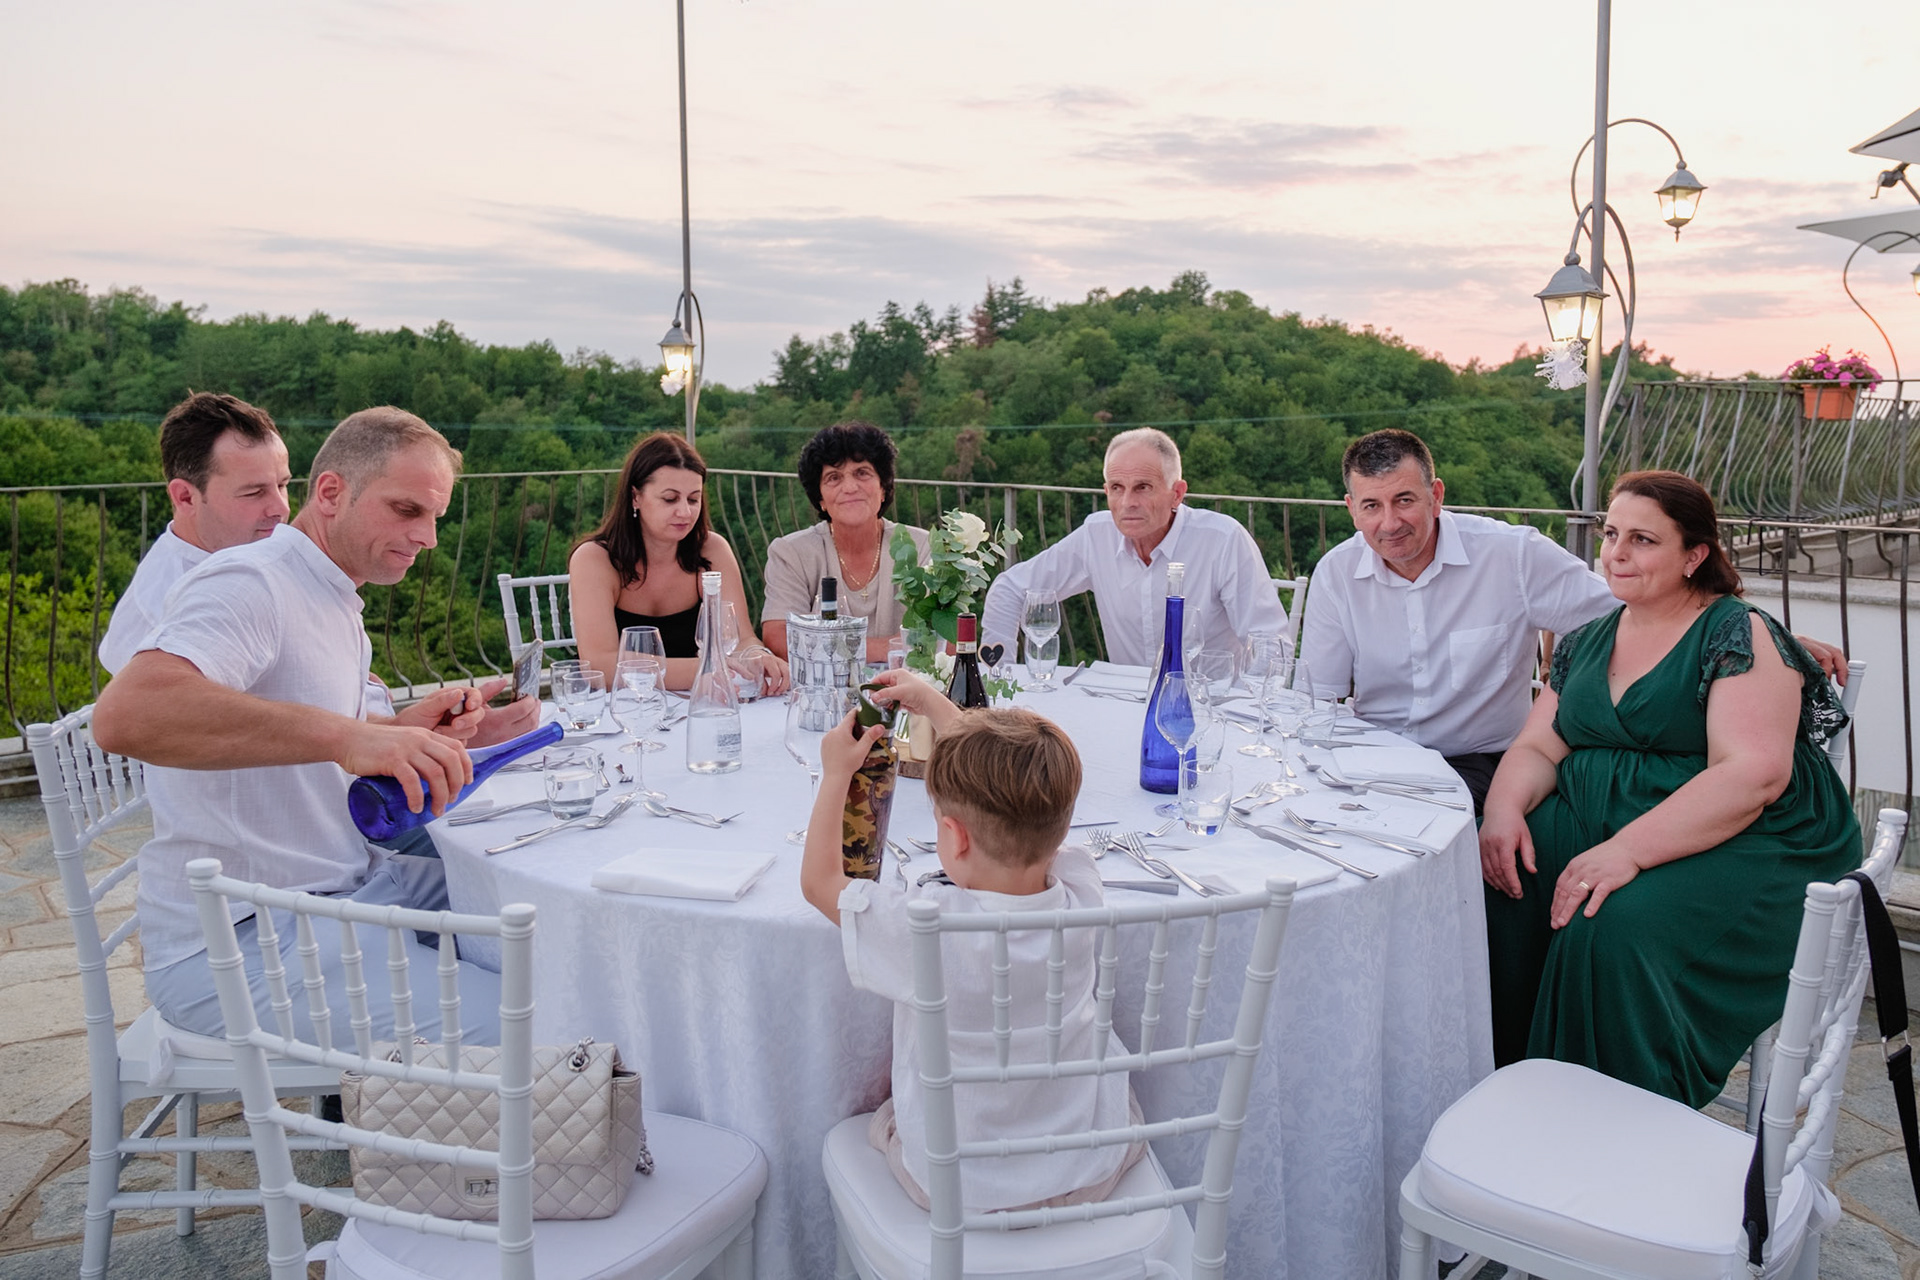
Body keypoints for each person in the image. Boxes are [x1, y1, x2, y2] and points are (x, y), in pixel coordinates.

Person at [94, 407, 540, 1043]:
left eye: (435, 517)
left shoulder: (327, 591)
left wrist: (404, 735)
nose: (428, 538)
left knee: (551, 921)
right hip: (243, 939)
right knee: (540, 1025)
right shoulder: (253, 579)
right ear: (330, 492)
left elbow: (314, 739)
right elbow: (127, 715)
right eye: (407, 510)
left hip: (347, 891)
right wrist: (350, 737)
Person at [1478, 471, 1860, 1106]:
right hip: (1603, 816)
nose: (1616, 553)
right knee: (1493, 885)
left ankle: (1616, 1115)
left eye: (1643, 540)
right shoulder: (1588, 640)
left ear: (1694, 555)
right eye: (1611, 535)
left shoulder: (1736, 633)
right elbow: (1538, 747)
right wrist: (1502, 810)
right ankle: (1506, 1092)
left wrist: (1624, 852)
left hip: (1744, 835)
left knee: (1609, 926)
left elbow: (1753, 775)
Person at [1300, 429, 1846, 811]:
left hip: (1480, 765)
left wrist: (1756, 637)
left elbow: (1635, 606)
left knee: (1402, 838)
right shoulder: (1336, 575)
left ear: (1436, 496)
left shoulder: (1512, 556)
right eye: (1371, 506)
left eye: (1404, 500)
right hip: (1372, 760)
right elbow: (1316, 701)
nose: (1389, 523)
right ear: (1351, 509)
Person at [801, 670, 1142, 1212]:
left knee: (884, 1118)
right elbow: (1023, 800)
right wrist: (937, 706)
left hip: (961, 1183)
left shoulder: (927, 926)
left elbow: (819, 883)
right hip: (1087, 1166)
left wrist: (835, 773)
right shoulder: (1080, 890)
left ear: (954, 837)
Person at [982, 428, 1284, 666]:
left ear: (1177, 493)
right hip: (1123, 706)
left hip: (1209, 706)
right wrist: (998, 677)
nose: (1128, 503)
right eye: (1117, 488)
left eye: (1143, 487)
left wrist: (1243, 708)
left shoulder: (1222, 540)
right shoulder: (1096, 536)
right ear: (1106, 491)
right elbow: (1010, 589)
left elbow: (1271, 643)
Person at [570, 432, 788, 694]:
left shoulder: (711, 550)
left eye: (693, 499)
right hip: (619, 708)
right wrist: (706, 669)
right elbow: (601, 665)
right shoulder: (595, 559)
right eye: (670, 499)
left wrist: (757, 655)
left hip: (695, 703)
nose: (685, 512)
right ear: (635, 496)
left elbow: (741, 639)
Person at [99, 392, 292, 674]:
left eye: (283, 485)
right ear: (185, 497)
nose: (281, 508)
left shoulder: (258, 557)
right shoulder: (166, 617)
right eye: (254, 492)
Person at [760, 421, 930, 664]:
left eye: (862, 473)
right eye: (834, 477)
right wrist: (894, 647)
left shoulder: (922, 548)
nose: (850, 487)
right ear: (820, 499)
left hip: (908, 684)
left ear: (883, 488)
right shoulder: (791, 553)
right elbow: (778, 637)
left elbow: (948, 640)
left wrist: (828, 647)